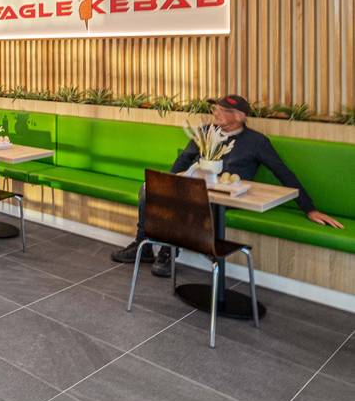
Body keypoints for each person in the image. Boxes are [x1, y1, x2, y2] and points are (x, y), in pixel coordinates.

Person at [111, 93, 344, 277]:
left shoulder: (257, 142)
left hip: (230, 196)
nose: (217, 113)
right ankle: (143, 245)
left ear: (240, 116)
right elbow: (184, 159)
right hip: (198, 189)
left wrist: (309, 209)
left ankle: (167, 252)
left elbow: (283, 172)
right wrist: (167, 184)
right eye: (217, 109)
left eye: (224, 110)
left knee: (192, 203)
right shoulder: (206, 132)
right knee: (147, 190)